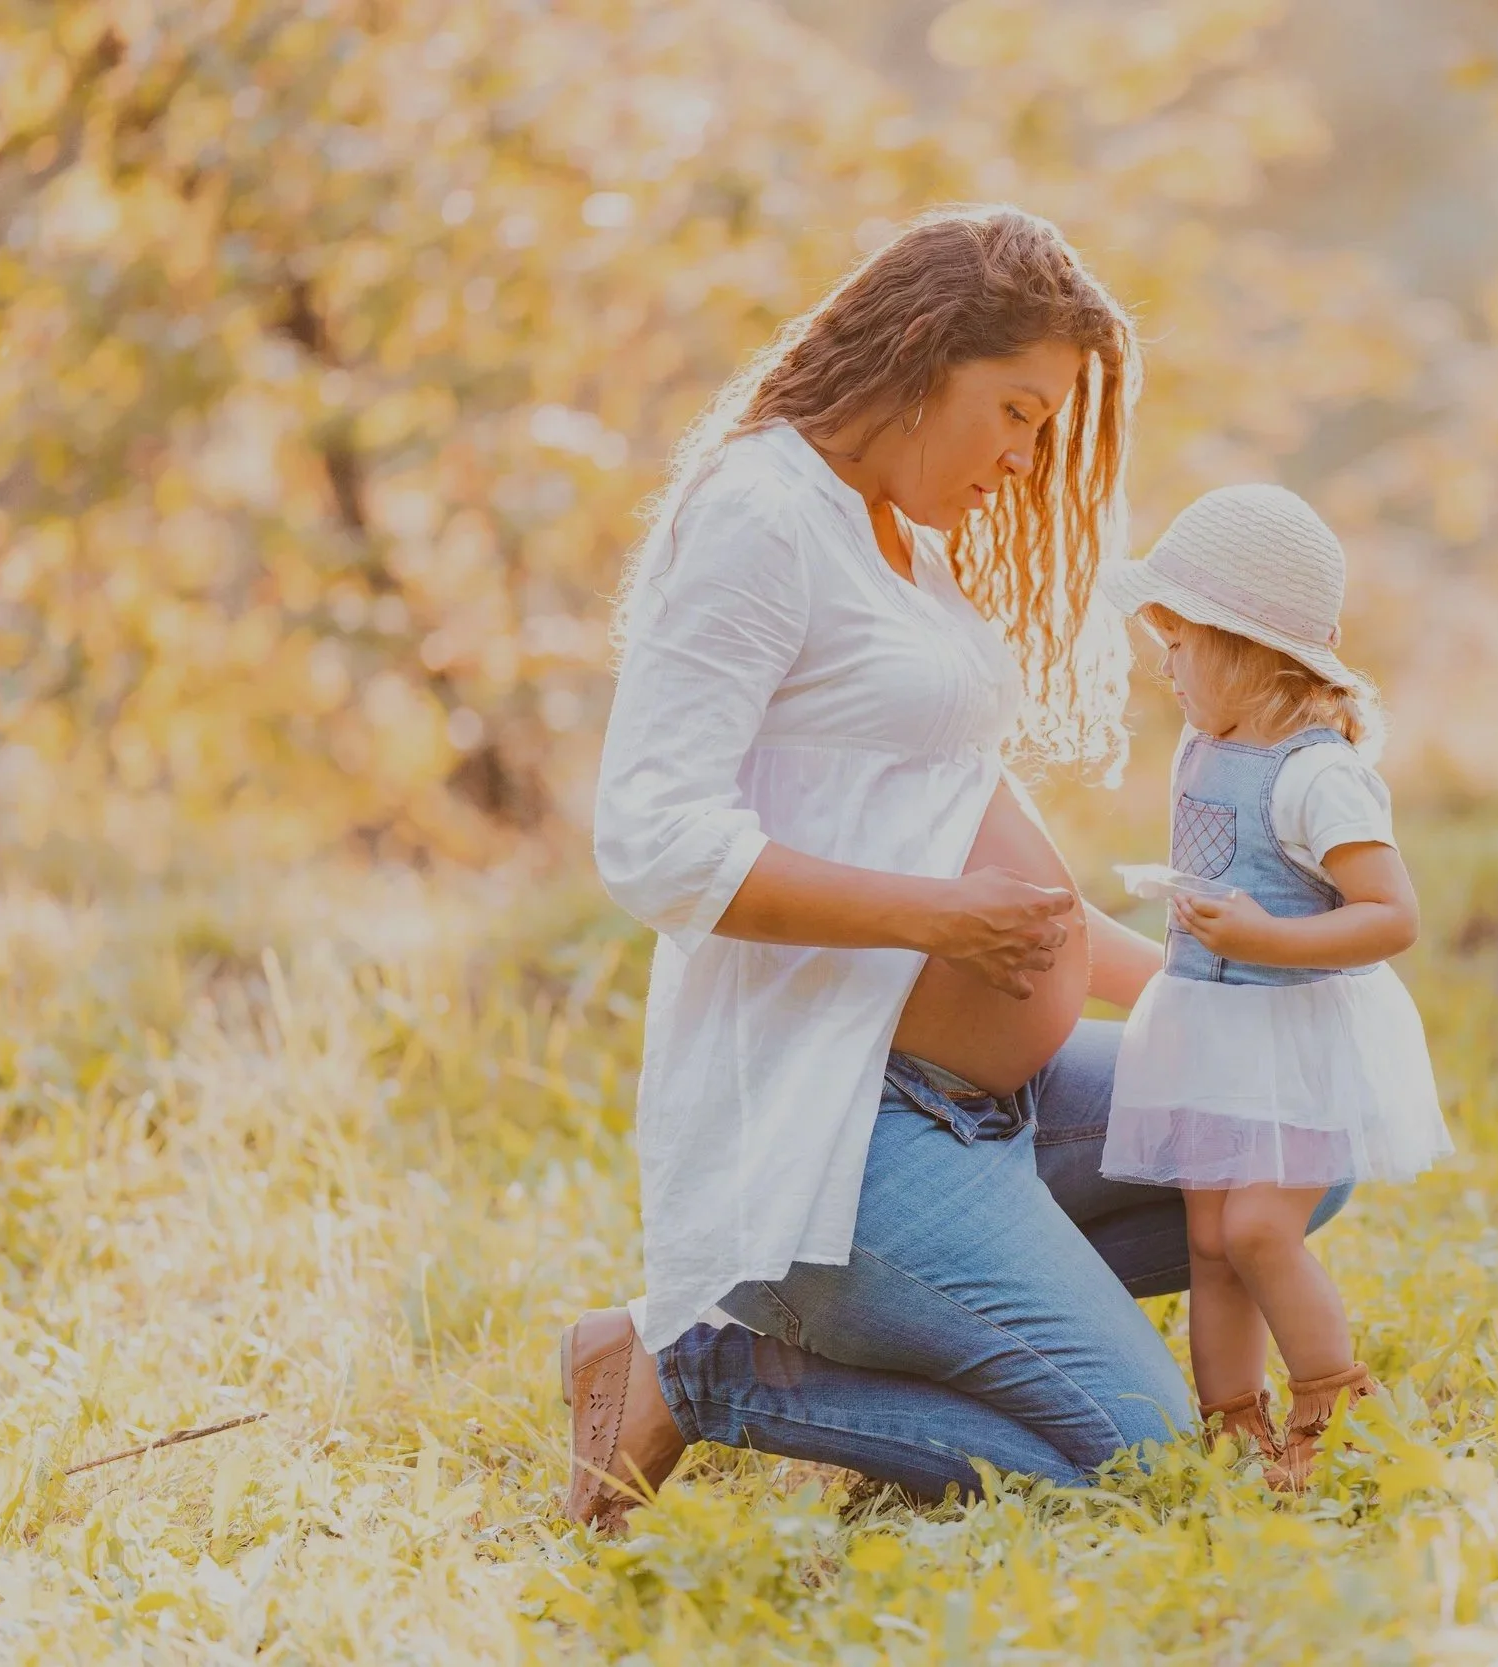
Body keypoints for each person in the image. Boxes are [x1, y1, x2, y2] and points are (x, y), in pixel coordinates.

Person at [561, 206, 1347, 1529]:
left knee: (1284, 1124)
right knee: (1145, 1464)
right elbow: (652, 835)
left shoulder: (899, 540)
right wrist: (940, 921)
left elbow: (971, 852)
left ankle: (928, 1348)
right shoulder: (764, 516)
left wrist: (1219, 993)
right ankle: (698, 1361)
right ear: (924, 356)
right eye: (1018, 410)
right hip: (847, 1126)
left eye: (1046, 426)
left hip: (1001, 1106)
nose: (1029, 456)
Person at [1095, 485, 1450, 1491]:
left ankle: (1333, 1397)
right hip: (1212, 1023)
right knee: (1210, 1239)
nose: (1162, 663)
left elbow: (1390, 915)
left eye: (1180, 642)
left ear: (1250, 650)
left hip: (1294, 1031)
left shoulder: (1315, 776)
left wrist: (1261, 932)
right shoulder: (1205, 745)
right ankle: (1230, 1421)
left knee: (1257, 1226)